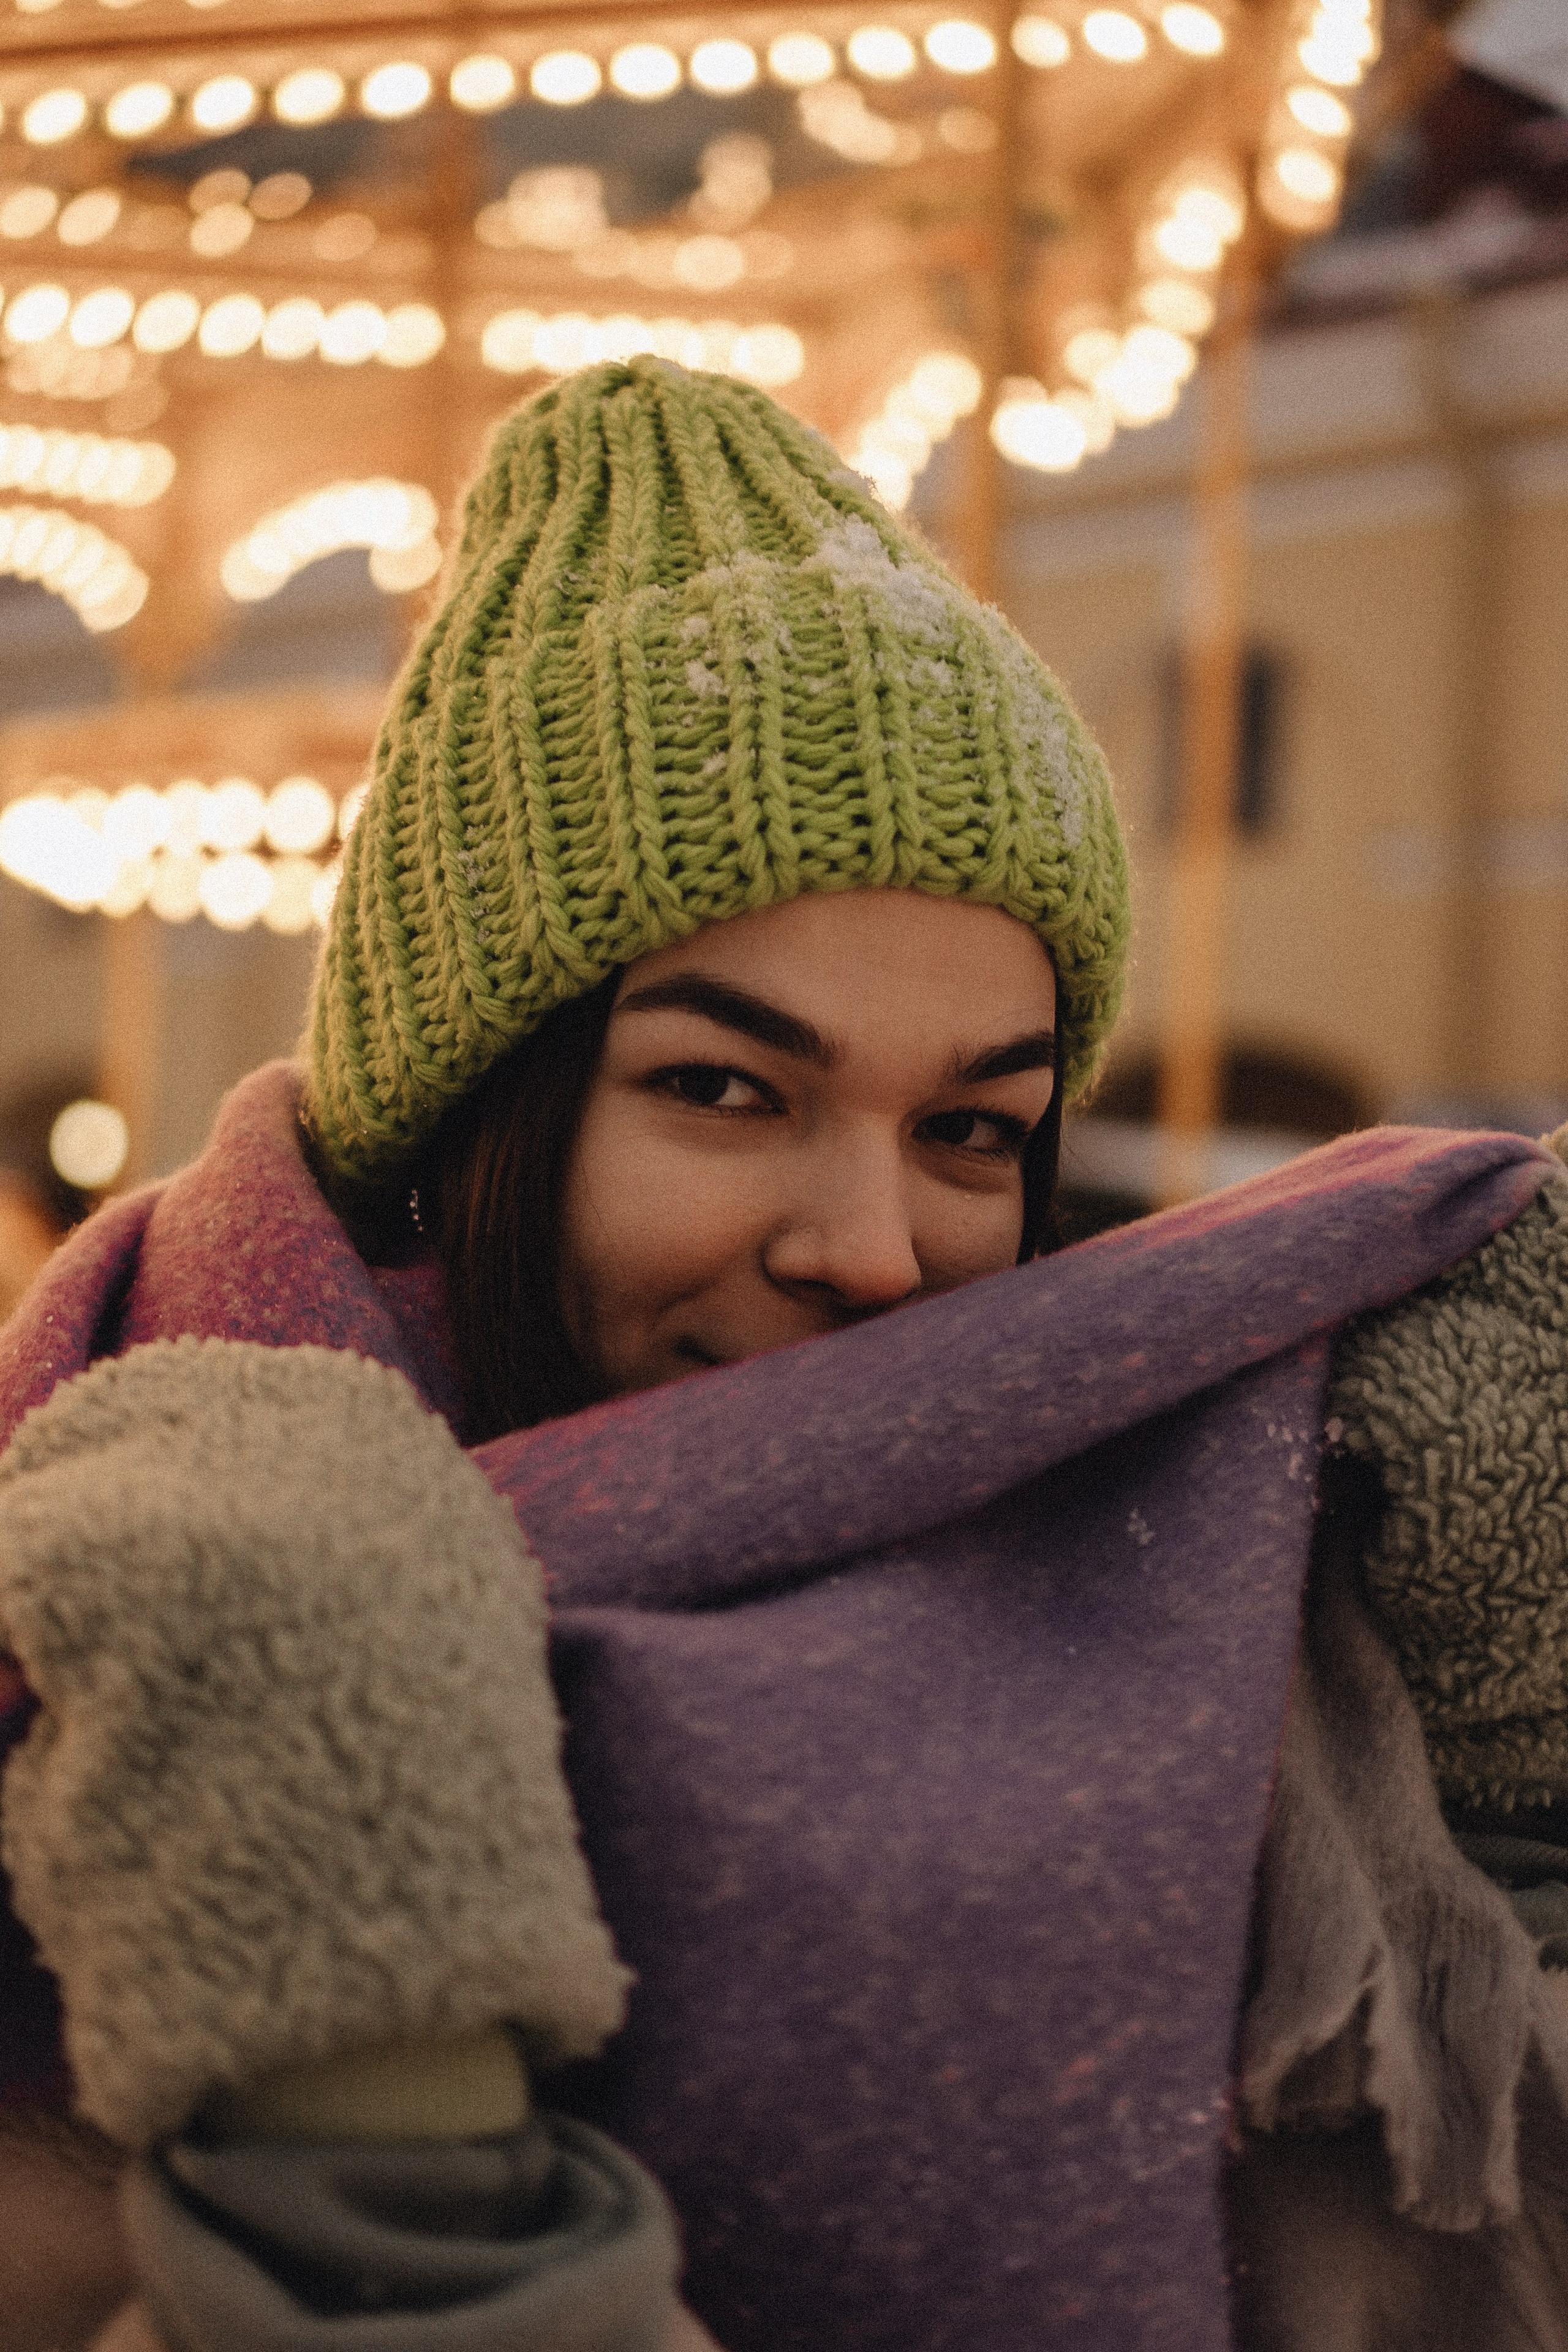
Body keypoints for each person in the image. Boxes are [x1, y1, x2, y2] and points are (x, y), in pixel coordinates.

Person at [1, 356, 1566, 2352]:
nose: (875, 1249)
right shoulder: (136, 1582)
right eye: (728, 1088)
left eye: (973, 1128)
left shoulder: (1190, 1616)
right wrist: (373, 2128)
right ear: (479, 1107)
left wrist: (1514, 1781)